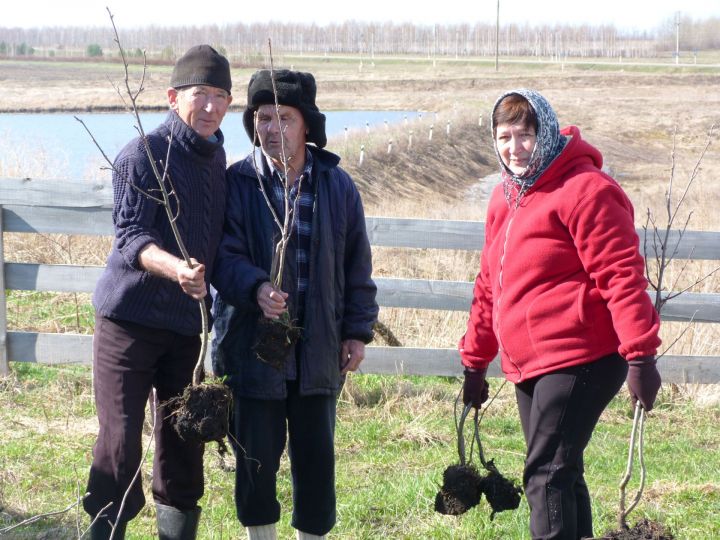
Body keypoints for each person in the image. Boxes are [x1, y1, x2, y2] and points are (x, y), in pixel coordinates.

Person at [459, 88, 662, 540]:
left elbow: (621, 275)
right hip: (531, 363)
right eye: (505, 136)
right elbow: (489, 286)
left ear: (546, 133)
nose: (514, 148)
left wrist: (641, 355)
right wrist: (475, 361)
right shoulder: (505, 197)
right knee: (562, 472)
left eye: (526, 134)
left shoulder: (586, 190)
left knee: (545, 476)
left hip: (583, 356)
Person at [211, 69, 378, 540]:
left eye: (284, 118)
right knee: (255, 464)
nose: (272, 128)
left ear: (307, 125)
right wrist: (255, 288)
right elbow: (222, 255)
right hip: (252, 349)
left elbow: (356, 267)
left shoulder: (336, 186)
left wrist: (357, 331)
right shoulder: (238, 182)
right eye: (262, 117)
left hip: (318, 352)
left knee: (316, 466)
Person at [83, 45, 232, 540]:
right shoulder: (141, 156)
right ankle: (105, 530)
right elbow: (130, 237)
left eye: (220, 96)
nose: (209, 107)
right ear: (172, 97)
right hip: (128, 324)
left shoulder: (218, 159)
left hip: (185, 330)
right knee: (120, 442)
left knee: (183, 442)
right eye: (199, 95)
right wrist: (177, 270)